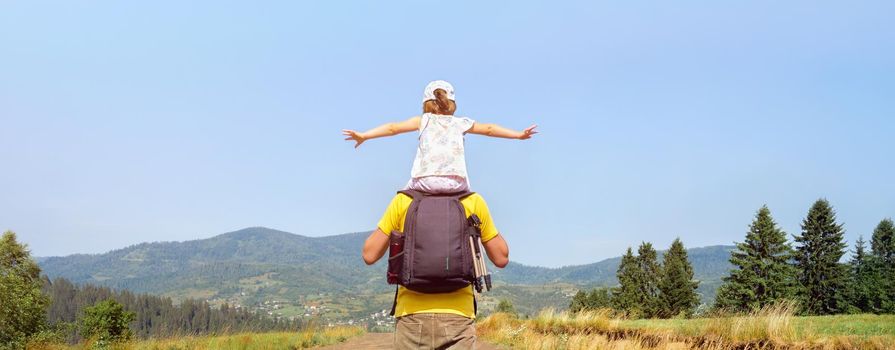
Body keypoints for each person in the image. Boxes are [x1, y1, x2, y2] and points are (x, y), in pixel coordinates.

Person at [362, 191, 509, 349]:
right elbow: (501, 258)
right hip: (458, 319)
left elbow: (369, 255)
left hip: (411, 320)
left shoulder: (403, 201)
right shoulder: (472, 201)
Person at [342, 80, 537, 194]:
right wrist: (518, 135)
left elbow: (393, 128)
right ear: (451, 103)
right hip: (457, 183)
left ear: (426, 103)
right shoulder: (461, 122)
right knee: (474, 208)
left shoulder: (423, 120)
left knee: (400, 204)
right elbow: (489, 129)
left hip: (424, 181)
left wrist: (365, 135)